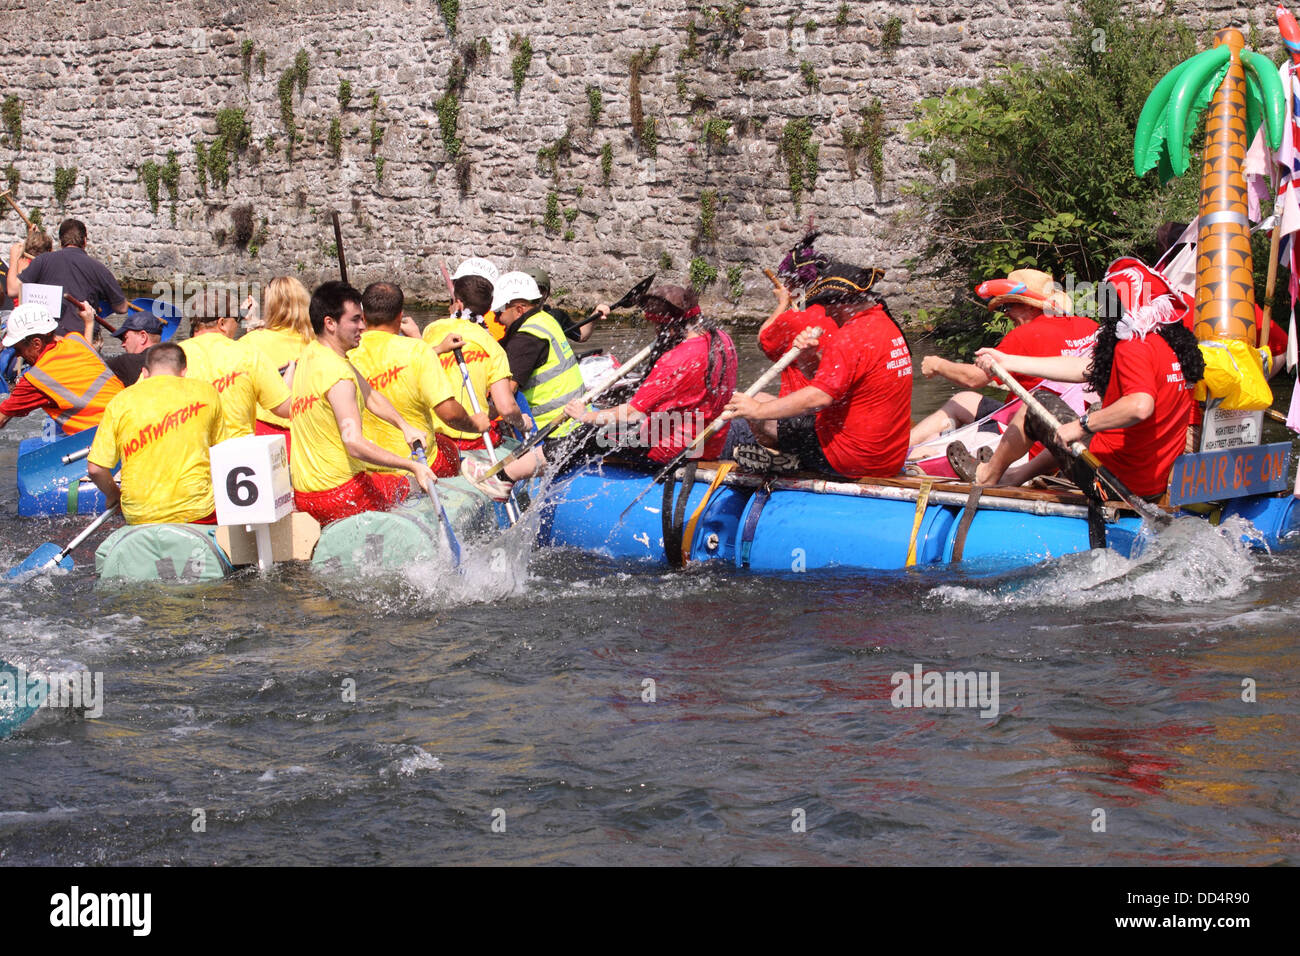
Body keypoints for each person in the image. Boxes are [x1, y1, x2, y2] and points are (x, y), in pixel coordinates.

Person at [970, 261, 1205, 500]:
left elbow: (1140, 405)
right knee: (1089, 415)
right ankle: (1014, 476)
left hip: (1110, 480)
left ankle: (987, 475)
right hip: (1152, 482)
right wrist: (1007, 361)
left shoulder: (1133, 347)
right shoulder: (1173, 347)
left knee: (1037, 403)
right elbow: (1086, 368)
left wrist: (1081, 425)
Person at [723, 262, 913, 480]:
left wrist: (756, 410)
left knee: (757, 404)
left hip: (849, 459)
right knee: (765, 404)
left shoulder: (850, 337)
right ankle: (786, 458)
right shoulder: (886, 325)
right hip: (888, 458)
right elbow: (842, 385)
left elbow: (819, 398)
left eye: (826, 305)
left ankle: (785, 463)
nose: (826, 313)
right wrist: (809, 358)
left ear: (840, 303)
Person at [289, 280, 435, 525]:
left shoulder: (311, 353)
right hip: (341, 494)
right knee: (411, 485)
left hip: (305, 496)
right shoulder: (339, 377)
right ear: (330, 323)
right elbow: (354, 444)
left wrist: (404, 426)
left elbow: (371, 396)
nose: (363, 326)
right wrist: (411, 465)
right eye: (355, 319)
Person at [909, 269, 1098, 448]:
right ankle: (906, 446)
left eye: (1008, 306)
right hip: (1076, 421)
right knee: (962, 399)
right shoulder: (1089, 325)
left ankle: (900, 455)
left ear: (1029, 305)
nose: (1005, 313)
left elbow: (974, 378)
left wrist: (938, 365)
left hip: (1032, 430)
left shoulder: (1025, 334)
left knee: (930, 447)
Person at [561, 284, 737, 467]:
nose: (656, 332)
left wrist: (585, 416)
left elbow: (632, 414)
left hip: (673, 450)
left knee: (586, 434)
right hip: (711, 443)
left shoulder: (676, 359)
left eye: (657, 326)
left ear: (669, 326)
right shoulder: (723, 339)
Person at [348, 281, 487, 477]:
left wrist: (437, 349)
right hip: (418, 462)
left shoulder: (346, 354)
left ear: (363, 317)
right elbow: (450, 414)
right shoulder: (417, 350)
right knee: (448, 448)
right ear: (400, 316)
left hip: (367, 462)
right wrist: (475, 424)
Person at [86, 343, 224, 525]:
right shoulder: (207, 392)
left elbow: (95, 469)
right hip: (196, 512)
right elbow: (222, 452)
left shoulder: (120, 401)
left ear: (144, 372)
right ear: (184, 371)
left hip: (140, 514)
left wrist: (113, 495)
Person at [422, 260, 529, 453]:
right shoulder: (492, 345)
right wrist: (523, 423)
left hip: (436, 440)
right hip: (476, 439)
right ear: (488, 307)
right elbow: (505, 408)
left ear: (458, 302)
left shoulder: (431, 330)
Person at [180, 289, 293, 440]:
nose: (238, 324)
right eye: (237, 319)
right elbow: (285, 409)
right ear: (222, 323)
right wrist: (290, 375)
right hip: (237, 456)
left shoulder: (173, 355)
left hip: (192, 455)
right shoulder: (249, 355)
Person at [0, 301, 122, 434]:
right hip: (128, 417)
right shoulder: (76, 340)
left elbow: (1, 419)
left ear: (36, 344)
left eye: (18, 349)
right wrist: (89, 323)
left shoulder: (36, 380)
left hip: (104, 436)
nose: (17, 354)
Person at [497, 271, 587, 439]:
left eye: (499, 311)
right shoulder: (545, 319)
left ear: (519, 309)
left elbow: (505, 397)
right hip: (577, 419)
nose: (496, 318)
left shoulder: (526, 339)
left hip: (551, 430)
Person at [18, 219, 127, 336]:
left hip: (50, 336)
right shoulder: (99, 268)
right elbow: (122, 308)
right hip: (84, 336)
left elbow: (14, 289)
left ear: (60, 242)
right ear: (85, 241)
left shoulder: (41, 260)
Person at [241, 276, 312, 453]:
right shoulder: (318, 341)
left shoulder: (251, 342)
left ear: (270, 306)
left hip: (268, 432)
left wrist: (248, 324)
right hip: (309, 431)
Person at [104, 311, 163, 386]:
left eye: (125, 338)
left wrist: (89, 323)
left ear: (143, 337)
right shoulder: (175, 359)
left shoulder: (126, 361)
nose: (123, 344)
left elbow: (90, 365)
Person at [6, 225, 52, 308]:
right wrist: (34, 236)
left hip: (21, 314)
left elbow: (11, 290)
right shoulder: (50, 266)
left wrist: (13, 258)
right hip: (44, 313)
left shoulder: (21, 262)